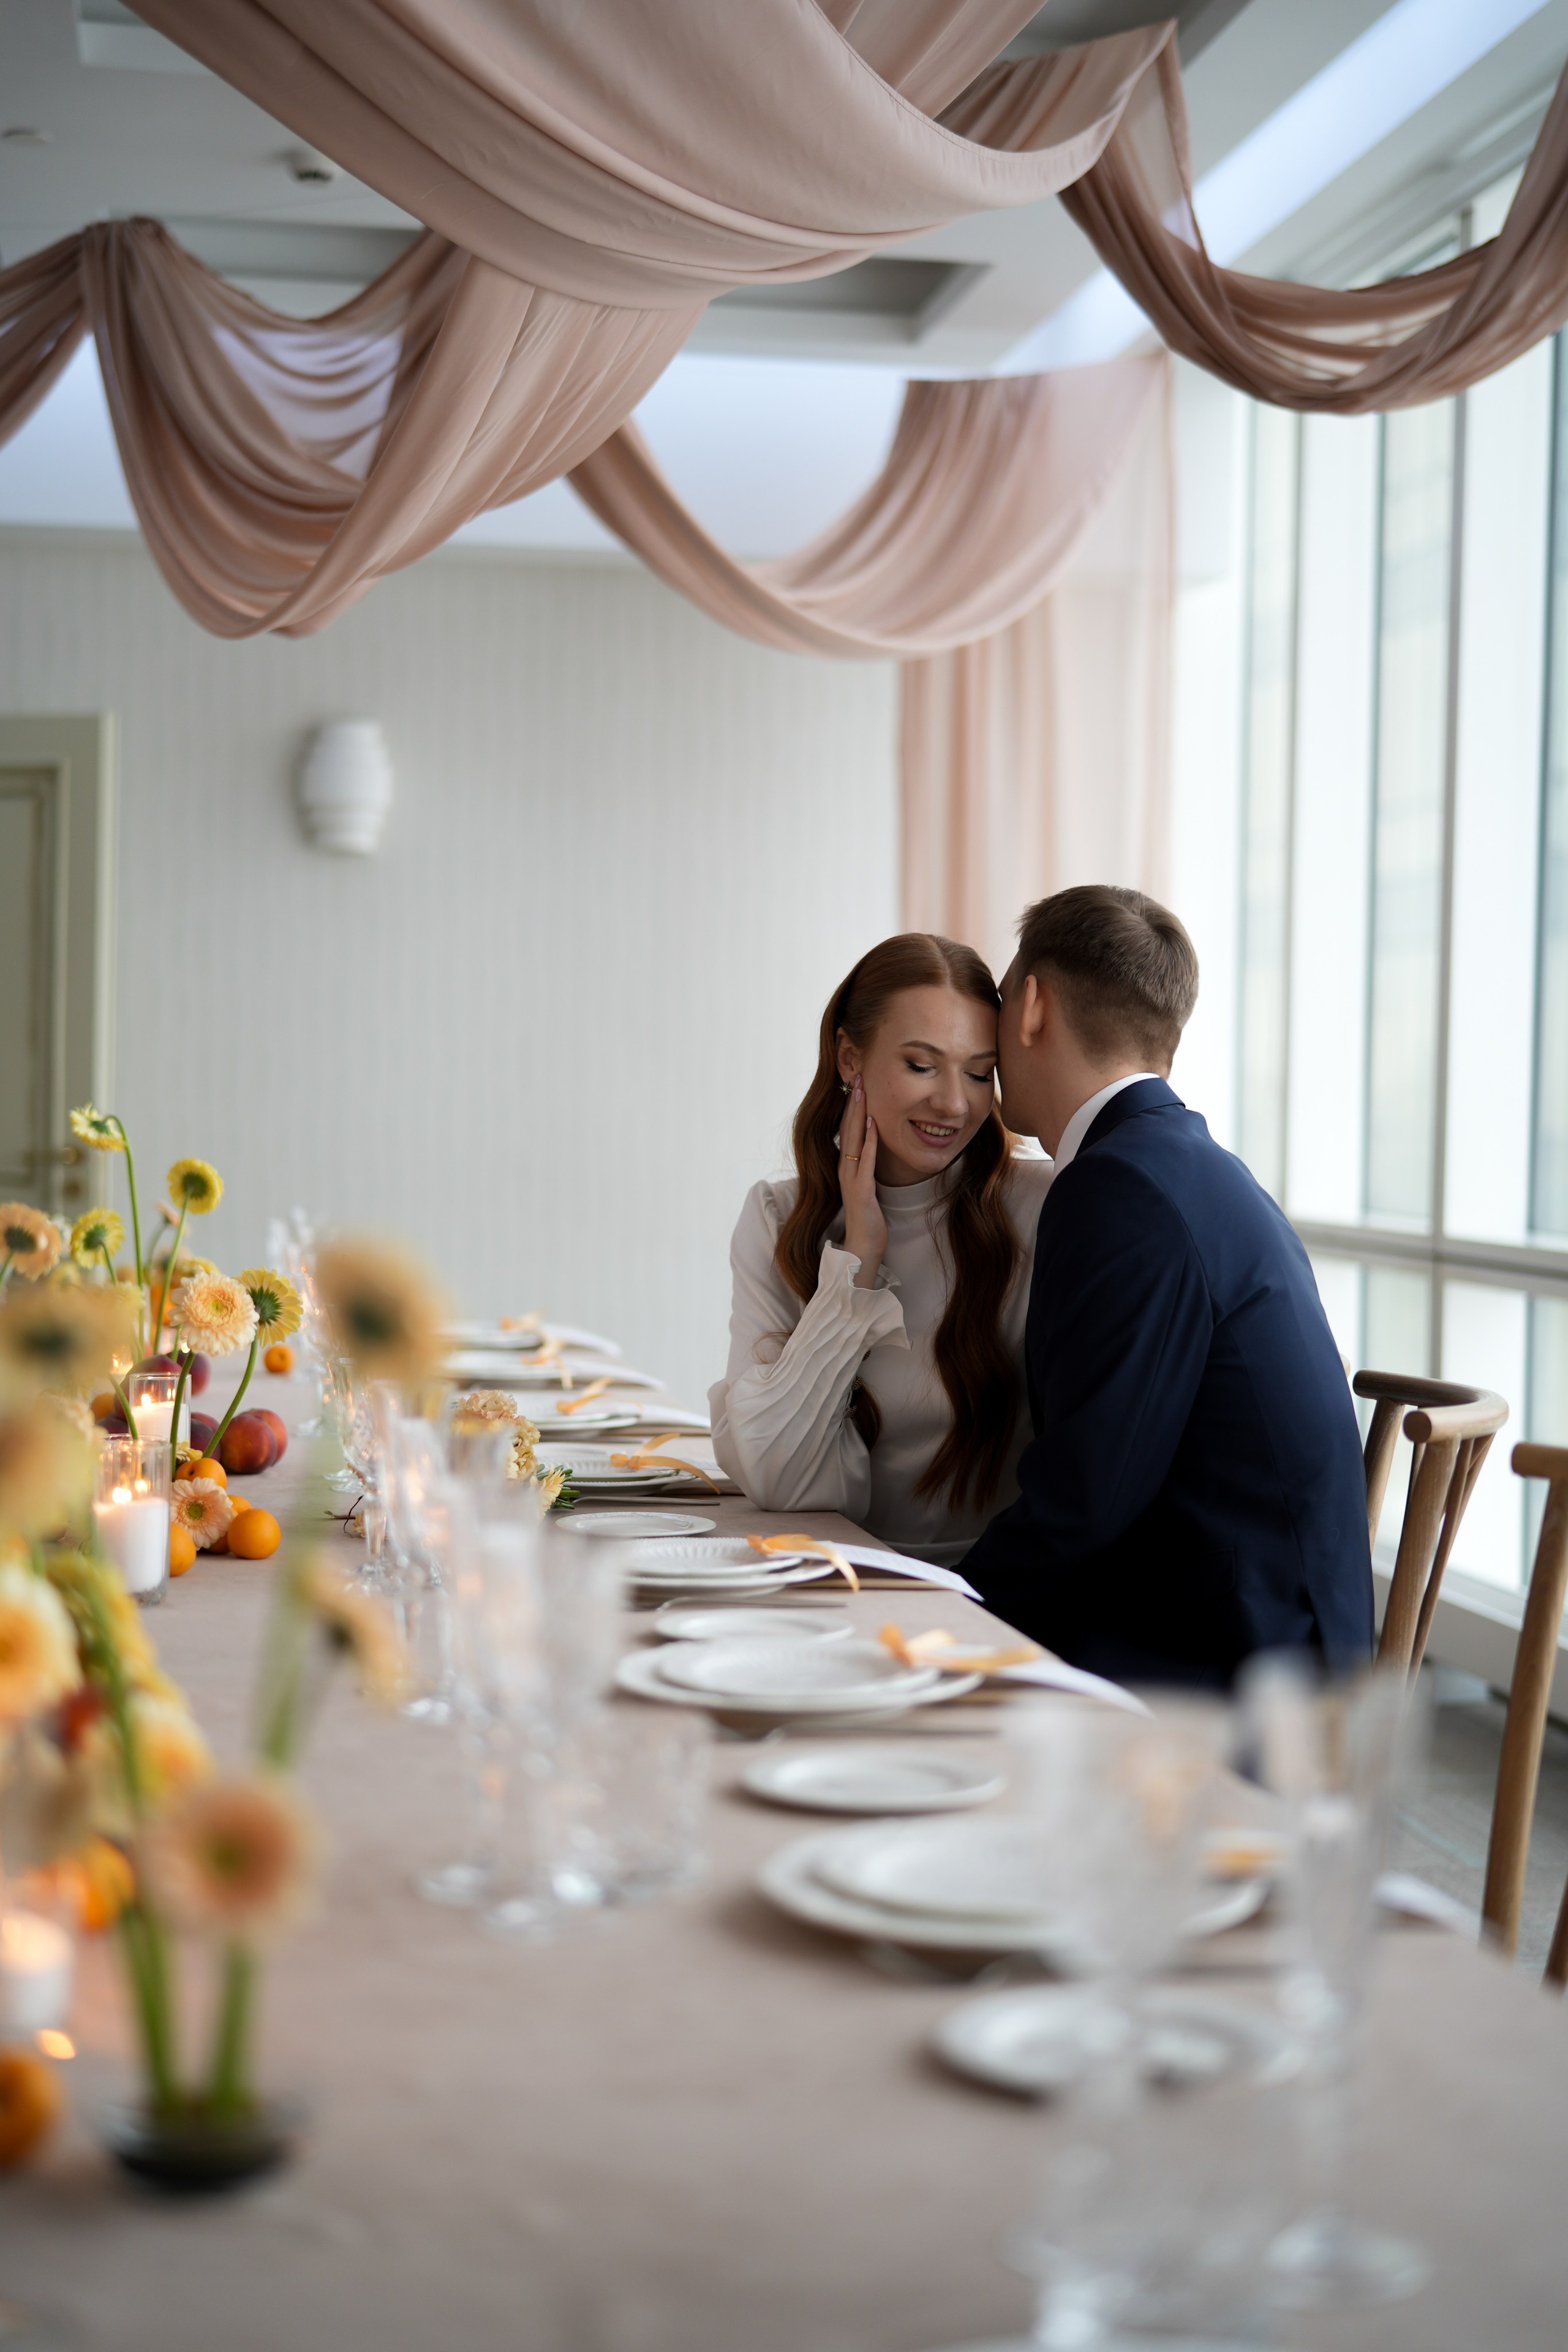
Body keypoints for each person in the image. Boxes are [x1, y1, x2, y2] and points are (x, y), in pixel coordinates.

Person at [962, 884, 1372, 1683]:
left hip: (1229, 1675)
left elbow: (1086, 1498)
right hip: (1267, 1629)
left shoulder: (1119, 1189)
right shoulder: (1184, 1163)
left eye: (1002, 999)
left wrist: (934, 1610)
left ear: (1033, 1006)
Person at [710, 934, 1052, 1565]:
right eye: (921, 1065)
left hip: (996, 1598)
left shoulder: (1040, 1207)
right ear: (848, 1057)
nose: (953, 1102)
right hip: (828, 1582)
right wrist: (858, 1258)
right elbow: (779, 1481)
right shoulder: (776, 1218)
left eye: (979, 1073)